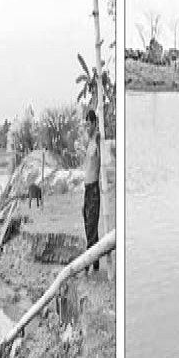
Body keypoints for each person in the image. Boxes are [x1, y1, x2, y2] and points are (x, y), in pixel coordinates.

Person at [83, 110, 102, 273]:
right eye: (85, 125)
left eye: (88, 124)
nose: (86, 127)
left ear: (94, 123)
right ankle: (95, 262)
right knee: (88, 223)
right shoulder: (89, 141)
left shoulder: (97, 139)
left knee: (91, 227)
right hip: (87, 189)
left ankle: (86, 266)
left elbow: (103, 160)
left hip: (94, 189)